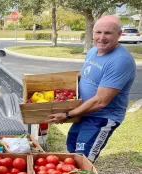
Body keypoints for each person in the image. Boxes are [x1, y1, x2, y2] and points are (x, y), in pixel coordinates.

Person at [45, 15, 136, 162]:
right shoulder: (93, 51)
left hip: (101, 118)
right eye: (98, 32)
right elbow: (86, 76)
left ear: (119, 35)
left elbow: (100, 101)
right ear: (92, 33)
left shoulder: (120, 61)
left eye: (108, 33)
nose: (101, 37)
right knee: (72, 149)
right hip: (83, 112)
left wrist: (68, 114)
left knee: (83, 160)